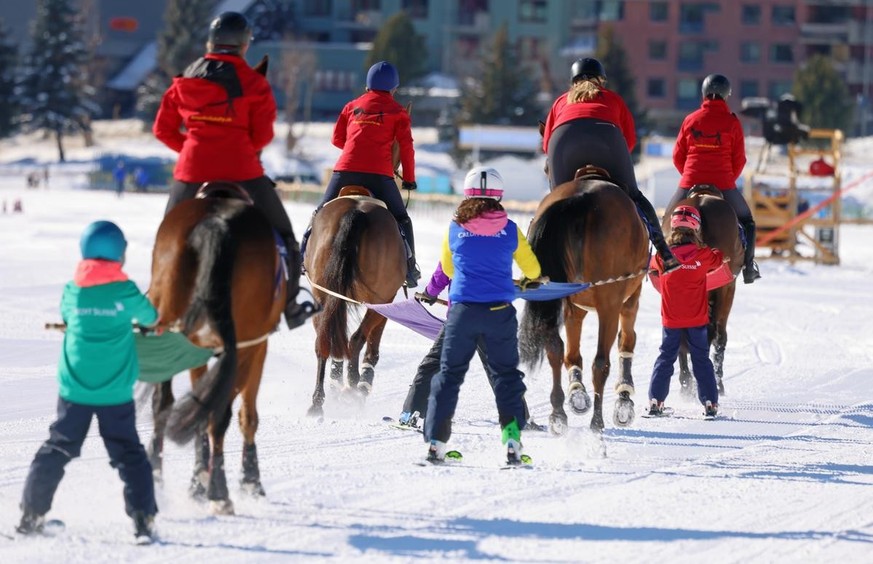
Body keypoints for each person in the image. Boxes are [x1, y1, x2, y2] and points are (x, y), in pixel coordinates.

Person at [153, 11, 310, 329]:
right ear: (244, 45)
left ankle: (158, 301)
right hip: (241, 167)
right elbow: (263, 135)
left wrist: (192, 148)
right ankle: (291, 305)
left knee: (166, 238)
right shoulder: (254, 82)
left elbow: (162, 129)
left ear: (211, 43)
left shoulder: (186, 78)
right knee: (285, 236)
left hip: (193, 167)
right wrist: (240, 147)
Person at [17, 221, 159, 542]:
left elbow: (69, 316)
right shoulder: (126, 291)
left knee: (57, 447)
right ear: (119, 255)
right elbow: (150, 318)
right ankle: (142, 521)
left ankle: (31, 516)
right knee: (129, 453)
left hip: (75, 391)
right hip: (115, 392)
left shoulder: (72, 290)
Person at [424, 166, 541, 465]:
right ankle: (513, 441)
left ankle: (436, 443)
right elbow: (533, 271)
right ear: (498, 196)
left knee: (449, 376)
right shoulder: (511, 228)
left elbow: (448, 270)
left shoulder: (454, 228)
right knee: (506, 378)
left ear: (466, 194)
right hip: (500, 312)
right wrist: (524, 279)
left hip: (462, 311)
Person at [542, 57, 679, 273]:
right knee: (635, 196)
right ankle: (665, 253)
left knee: (554, 204)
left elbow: (546, 143)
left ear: (573, 81)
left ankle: (541, 261)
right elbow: (630, 140)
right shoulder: (613, 98)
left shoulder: (561, 101)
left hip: (564, 141)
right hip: (606, 139)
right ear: (600, 81)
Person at [299, 60, 420, 287]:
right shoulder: (398, 112)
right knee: (402, 219)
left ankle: (302, 253)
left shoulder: (352, 105)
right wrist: (410, 180)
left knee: (320, 212)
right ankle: (410, 269)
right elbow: (406, 148)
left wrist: (357, 147)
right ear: (393, 88)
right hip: (379, 175)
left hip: (345, 170)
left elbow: (336, 139)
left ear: (367, 86)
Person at [398, 261, 538, 431]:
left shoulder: (458, 239)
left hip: (461, 317)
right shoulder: (497, 238)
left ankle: (412, 414)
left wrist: (430, 293)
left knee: (432, 364)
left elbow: (442, 273)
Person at [669, 73, 761, 284]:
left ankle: (661, 260)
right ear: (726, 96)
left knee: (667, 220)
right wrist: (727, 179)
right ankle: (748, 267)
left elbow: (677, 156)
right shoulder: (732, 122)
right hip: (723, 182)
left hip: (690, 181)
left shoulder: (690, 119)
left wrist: (689, 176)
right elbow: (740, 159)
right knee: (747, 221)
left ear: (703, 94)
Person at [647, 206, 725, 418]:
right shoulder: (703, 255)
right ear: (695, 228)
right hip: (697, 320)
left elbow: (651, 265)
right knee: (701, 359)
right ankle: (710, 403)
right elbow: (718, 259)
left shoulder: (663, 257)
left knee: (666, 358)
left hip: (670, 320)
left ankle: (656, 402)